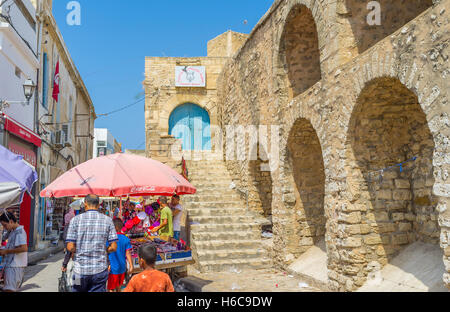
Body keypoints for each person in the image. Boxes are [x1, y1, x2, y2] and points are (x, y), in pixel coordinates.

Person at [66, 194, 118, 292]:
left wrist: (82, 250)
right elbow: (114, 247)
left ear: (85, 204)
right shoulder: (108, 220)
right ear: (99, 205)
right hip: (99, 271)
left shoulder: (75, 220)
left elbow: (70, 247)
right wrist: (102, 250)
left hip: (79, 272)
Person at [0, 211, 28, 292]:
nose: (5, 227)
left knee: (10, 289)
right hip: (11, 265)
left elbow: (24, 248)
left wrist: (6, 251)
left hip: (15, 266)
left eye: (5, 225)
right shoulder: (13, 231)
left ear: (11, 221)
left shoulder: (19, 232)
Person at [107, 219, 133, 292]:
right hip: (122, 267)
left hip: (112, 268)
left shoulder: (109, 239)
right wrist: (131, 266)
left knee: (111, 288)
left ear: (115, 228)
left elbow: (105, 252)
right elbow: (128, 253)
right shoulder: (126, 239)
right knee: (119, 287)